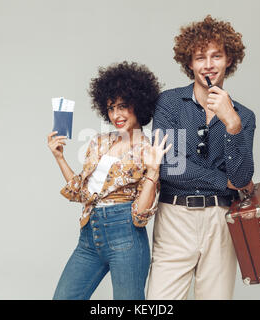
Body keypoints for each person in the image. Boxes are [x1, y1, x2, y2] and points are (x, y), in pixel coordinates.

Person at [147, 15, 256, 300]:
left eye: (216, 56)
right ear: (190, 63)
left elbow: (243, 178)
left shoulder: (244, 116)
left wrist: (231, 122)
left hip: (221, 221)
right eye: (200, 57)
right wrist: (224, 180)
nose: (208, 64)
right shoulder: (168, 103)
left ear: (229, 59)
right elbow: (169, 167)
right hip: (174, 217)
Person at [47, 61, 172, 300]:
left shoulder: (149, 149)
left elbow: (140, 216)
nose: (117, 114)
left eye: (123, 106)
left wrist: (153, 170)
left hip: (125, 236)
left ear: (138, 104)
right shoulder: (99, 142)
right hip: (89, 236)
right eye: (111, 108)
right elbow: (81, 194)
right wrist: (59, 157)